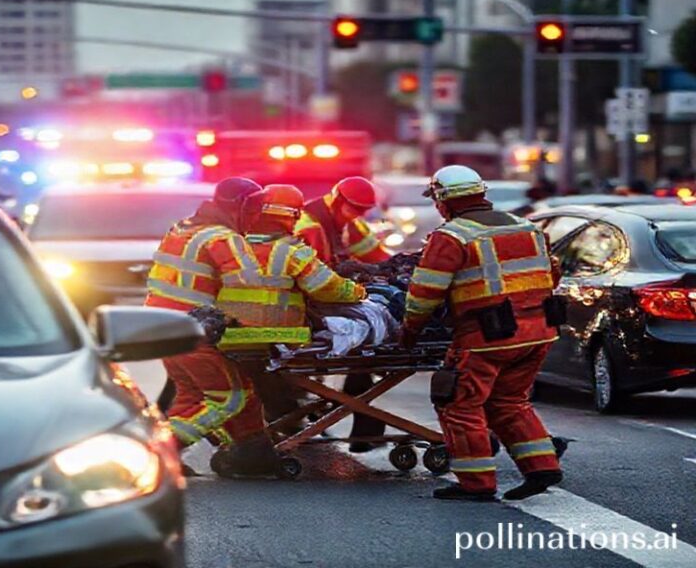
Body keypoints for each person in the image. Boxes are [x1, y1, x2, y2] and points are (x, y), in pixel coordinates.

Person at [400, 165, 563, 502]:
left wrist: (409, 331)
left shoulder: (452, 237)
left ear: (444, 201)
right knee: (509, 401)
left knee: (459, 404)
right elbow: (553, 273)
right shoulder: (528, 228)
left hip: (487, 337)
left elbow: (424, 293)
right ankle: (541, 466)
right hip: (539, 332)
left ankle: (476, 484)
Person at [145, 177, 276, 475]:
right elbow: (249, 287)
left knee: (195, 395)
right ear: (240, 206)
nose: (257, 215)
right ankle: (160, 453)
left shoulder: (183, 228)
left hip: (164, 328)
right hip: (193, 331)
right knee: (230, 397)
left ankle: (251, 450)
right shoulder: (223, 238)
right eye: (255, 207)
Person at [218, 184, 367, 423]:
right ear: (292, 215)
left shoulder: (230, 246)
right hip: (277, 336)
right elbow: (327, 289)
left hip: (231, 336)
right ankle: (289, 426)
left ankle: (281, 423)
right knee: (277, 398)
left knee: (262, 395)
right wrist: (359, 292)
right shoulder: (290, 251)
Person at [295, 176, 390, 450]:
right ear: (338, 201)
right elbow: (313, 279)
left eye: (363, 211)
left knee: (366, 352)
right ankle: (363, 424)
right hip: (313, 304)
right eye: (355, 209)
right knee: (366, 345)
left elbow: (379, 257)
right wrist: (353, 289)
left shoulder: (351, 224)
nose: (359, 215)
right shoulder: (309, 227)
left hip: (333, 298)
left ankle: (364, 427)